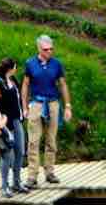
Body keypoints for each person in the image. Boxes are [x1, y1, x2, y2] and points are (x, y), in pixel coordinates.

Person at [23, 34, 72, 186]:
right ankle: (32, 175)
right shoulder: (30, 63)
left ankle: (49, 172)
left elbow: (63, 84)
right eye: (46, 49)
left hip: (53, 104)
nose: (49, 52)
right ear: (39, 48)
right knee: (33, 141)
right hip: (36, 104)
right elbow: (25, 85)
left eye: (51, 49)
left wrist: (68, 106)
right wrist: (24, 107)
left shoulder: (57, 64)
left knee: (51, 140)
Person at [0, 58, 28, 195]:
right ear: (9, 69)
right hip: (5, 122)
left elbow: (18, 98)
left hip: (17, 120)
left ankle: (16, 182)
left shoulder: (13, 80)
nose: (16, 69)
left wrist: (23, 111)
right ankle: (4, 186)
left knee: (20, 151)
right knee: (7, 155)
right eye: (15, 67)